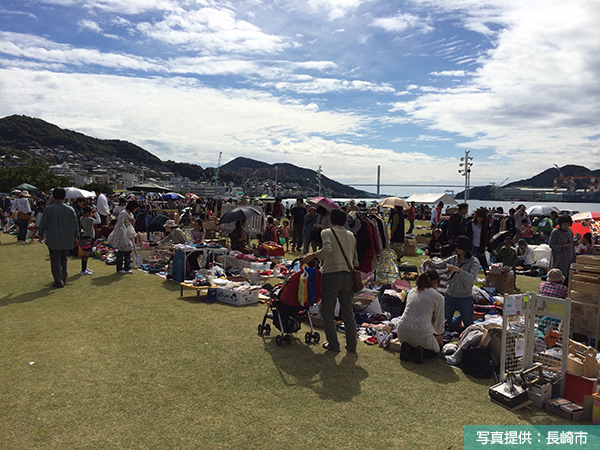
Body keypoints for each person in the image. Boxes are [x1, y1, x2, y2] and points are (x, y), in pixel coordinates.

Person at [303, 208, 358, 353]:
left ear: (331, 220)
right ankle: (352, 345)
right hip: (348, 275)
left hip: (332, 274)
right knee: (348, 312)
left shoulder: (327, 232)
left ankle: (333, 344)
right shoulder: (351, 235)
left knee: (327, 311)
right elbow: (353, 257)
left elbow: (327, 249)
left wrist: (312, 256)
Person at [427, 236, 479, 331]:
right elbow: (441, 264)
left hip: (465, 297)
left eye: (459, 247)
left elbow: (471, 278)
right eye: (456, 247)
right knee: (444, 322)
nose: (457, 249)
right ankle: (456, 322)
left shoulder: (474, 262)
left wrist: (459, 270)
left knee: (468, 325)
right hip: (450, 295)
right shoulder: (454, 258)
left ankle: (459, 319)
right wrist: (430, 263)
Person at [397, 269, 444, 363]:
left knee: (412, 341)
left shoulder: (411, 292)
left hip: (402, 329)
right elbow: (438, 320)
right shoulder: (437, 296)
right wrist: (438, 334)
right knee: (436, 350)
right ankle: (420, 351)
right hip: (422, 331)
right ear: (435, 282)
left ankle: (407, 348)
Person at [37, 188, 80, 288]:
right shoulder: (70, 210)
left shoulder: (49, 209)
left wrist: (40, 234)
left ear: (53, 196)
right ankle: (64, 277)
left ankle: (58, 280)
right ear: (64, 197)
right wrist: (76, 236)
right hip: (67, 238)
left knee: (55, 260)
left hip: (53, 238)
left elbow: (43, 223)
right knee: (64, 258)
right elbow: (75, 225)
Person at [110, 200, 140, 274]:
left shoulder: (130, 214)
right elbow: (120, 224)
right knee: (121, 251)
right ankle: (119, 268)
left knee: (128, 252)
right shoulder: (123, 213)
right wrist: (128, 222)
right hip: (122, 235)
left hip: (128, 234)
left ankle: (127, 267)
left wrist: (131, 223)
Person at [549, 215, 578, 283]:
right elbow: (551, 244)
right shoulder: (555, 232)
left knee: (568, 277)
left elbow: (572, 243)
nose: (567, 225)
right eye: (565, 224)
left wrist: (577, 240)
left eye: (568, 223)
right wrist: (563, 246)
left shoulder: (570, 231)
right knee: (558, 276)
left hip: (569, 257)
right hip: (559, 259)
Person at [465, 208, 490, 274]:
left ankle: (488, 276)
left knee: (484, 264)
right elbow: (467, 235)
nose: (480, 219)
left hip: (480, 246)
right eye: (479, 217)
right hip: (472, 246)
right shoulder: (470, 224)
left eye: (481, 218)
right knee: (471, 263)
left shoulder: (484, 226)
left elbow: (485, 237)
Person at [79, 206, 100, 275]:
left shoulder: (81, 218)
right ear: (87, 213)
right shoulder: (88, 219)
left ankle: (84, 268)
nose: (92, 213)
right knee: (86, 254)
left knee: (85, 254)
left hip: (85, 235)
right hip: (89, 236)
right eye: (91, 212)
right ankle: (83, 270)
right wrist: (96, 213)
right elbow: (99, 221)